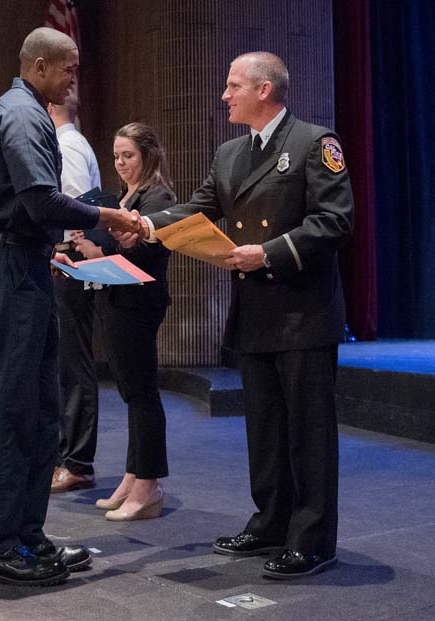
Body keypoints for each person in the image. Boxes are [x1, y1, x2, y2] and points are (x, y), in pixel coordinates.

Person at [128, 52, 354, 578]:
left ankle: (313, 539)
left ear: (265, 90)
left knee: (308, 431)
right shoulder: (230, 152)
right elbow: (202, 206)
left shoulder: (314, 144)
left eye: (232, 86)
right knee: (266, 428)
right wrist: (145, 223)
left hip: (302, 311)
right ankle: (270, 520)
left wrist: (268, 252)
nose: (224, 95)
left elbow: (334, 222)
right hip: (254, 312)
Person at [0, 27, 142, 587]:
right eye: (69, 69)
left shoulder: (30, 111)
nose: (74, 79)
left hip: (24, 263)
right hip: (6, 262)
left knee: (40, 411)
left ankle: (26, 536)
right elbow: (39, 200)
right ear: (39, 65)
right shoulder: (20, 114)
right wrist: (109, 216)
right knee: (10, 408)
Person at [75, 123, 173, 521]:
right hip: (117, 296)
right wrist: (84, 254)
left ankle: (148, 484)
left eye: (127, 155)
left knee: (142, 392)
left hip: (139, 300)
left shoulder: (159, 194)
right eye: (116, 156)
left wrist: (101, 250)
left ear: (148, 154)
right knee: (131, 392)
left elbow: (152, 251)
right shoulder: (124, 195)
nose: (120, 163)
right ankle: (133, 476)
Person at [47, 91, 107, 494]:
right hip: (67, 261)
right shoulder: (71, 142)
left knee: (74, 365)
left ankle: (77, 462)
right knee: (65, 365)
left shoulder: (67, 145)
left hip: (70, 261)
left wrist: (60, 250)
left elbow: (75, 207)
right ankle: (66, 455)